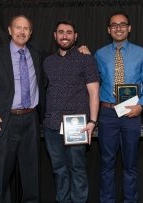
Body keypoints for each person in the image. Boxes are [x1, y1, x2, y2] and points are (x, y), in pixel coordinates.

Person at [0, 15, 45, 203]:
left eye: (26, 29)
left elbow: (59, 57)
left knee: (31, 174)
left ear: (30, 33)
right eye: (18, 27)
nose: (21, 32)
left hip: (31, 120)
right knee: (2, 175)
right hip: (5, 121)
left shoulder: (37, 52)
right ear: (9, 30)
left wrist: (78, 49)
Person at [94, 11, 143, 203]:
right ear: (108, 29)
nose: (118, 28)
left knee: (130, 165)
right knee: (106, 164)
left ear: (129, 28)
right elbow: (91, 83)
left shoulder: (141, 53)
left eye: (122, 24)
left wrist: (142, 106)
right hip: (107, 113)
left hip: (131, 114)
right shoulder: (99, 54)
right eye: (114, 25)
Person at [42, 20, 100, 203]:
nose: (64, 36)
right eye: (61, 32)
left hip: (77, 126)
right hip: (52, 125)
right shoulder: (48, 62)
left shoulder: (86, 59)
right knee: (59, 170)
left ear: (75, 36)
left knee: (77, 169)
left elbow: (94, 92)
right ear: (55, 35)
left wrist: (92, 122)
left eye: (69, 32)